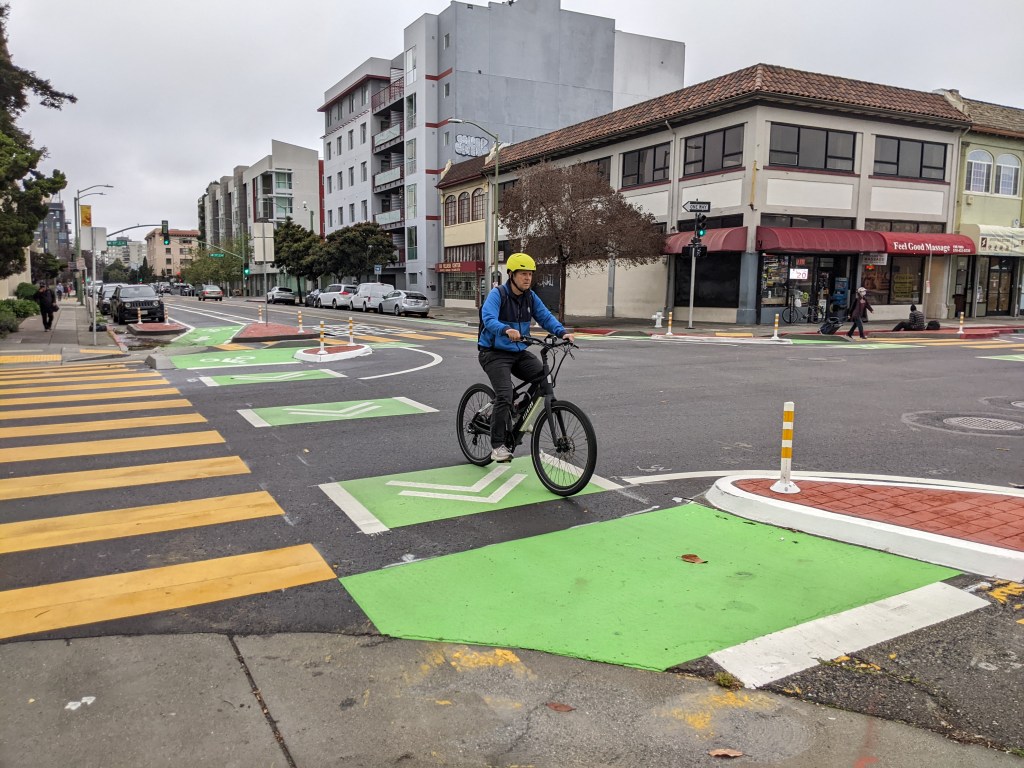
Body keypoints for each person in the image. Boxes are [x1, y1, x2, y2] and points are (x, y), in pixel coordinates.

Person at [478, 252, 575, 463]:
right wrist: (505, 330)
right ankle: (497, 446)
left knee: (543, 376)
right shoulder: (498, 295)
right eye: (523, 273)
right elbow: (488, 319)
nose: (528, 278)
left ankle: (519, 410)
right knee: (504, 394)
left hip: (517, 351)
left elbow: (545, 316)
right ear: (511, 274)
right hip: (493, 353)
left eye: (530, 274)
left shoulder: (530, 297)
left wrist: (562, 332)